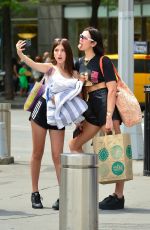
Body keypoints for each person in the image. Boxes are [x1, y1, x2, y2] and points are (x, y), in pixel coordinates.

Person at [16, 38, 85, 210]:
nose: (59, 54)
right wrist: (20, 53)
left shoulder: (75, 74)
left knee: (57, 156)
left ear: (68, 53)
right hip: (41, 111)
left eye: (62, 50)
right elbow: (31, 63)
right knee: (37, 153)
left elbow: (76, 99)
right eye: (56, 50)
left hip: (59, 116)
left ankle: (64, 195)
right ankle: (35, 193)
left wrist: (78, 121)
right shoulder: (50, 69)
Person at [69, 27, 125, 210]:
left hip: (107, 107)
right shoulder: (78, 63)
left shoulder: (103, 61)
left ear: (93, 43)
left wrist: (109, 116)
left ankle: (118, 196)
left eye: (83, 37)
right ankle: (84, 186)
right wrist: (78, 118)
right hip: (90, 107)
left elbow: (111, 89)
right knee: (74, 145)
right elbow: (77, 90)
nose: (80, 39)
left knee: (116, 148)